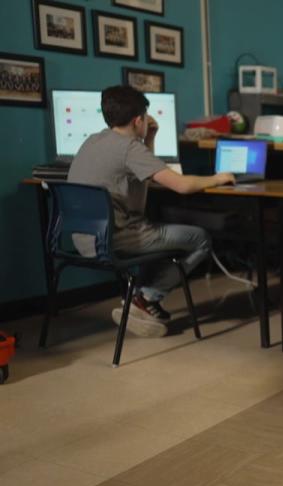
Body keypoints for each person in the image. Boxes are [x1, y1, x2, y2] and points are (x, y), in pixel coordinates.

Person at [67, 85, 235, 338]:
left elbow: (142, 174)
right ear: (138, 120)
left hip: (84, 239)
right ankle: (145, 298)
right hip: (115, 240)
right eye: (145, 117)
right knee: (201, 239)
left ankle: (143, 302)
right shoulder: (129, 148)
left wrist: (149, 137)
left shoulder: (93, 140)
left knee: (155, 225)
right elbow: (182, 185)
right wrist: (218, 177)